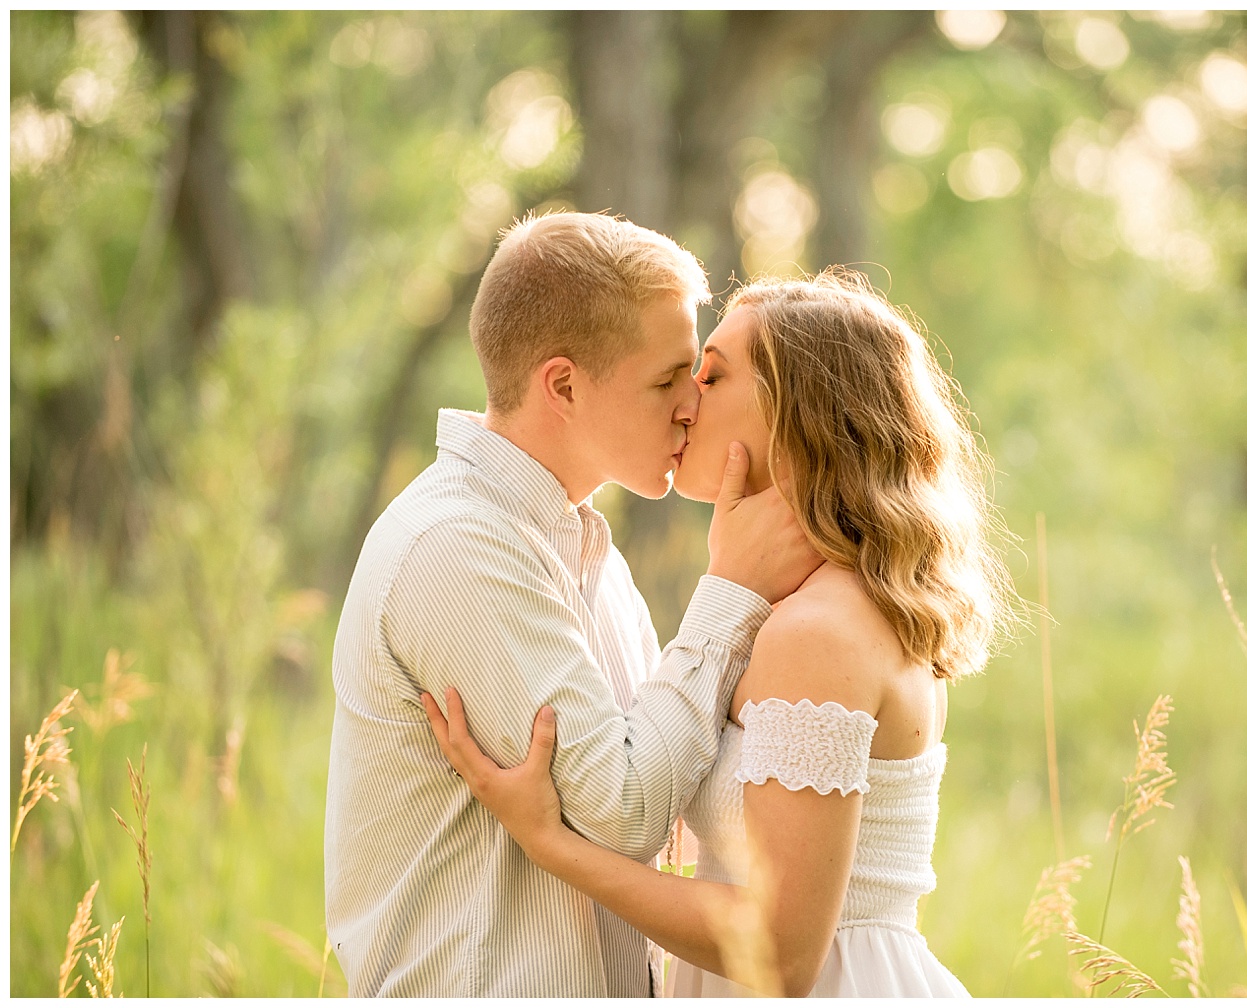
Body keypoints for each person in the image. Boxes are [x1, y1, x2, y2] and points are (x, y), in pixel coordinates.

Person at [424, 269, 1022, 997]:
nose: (684, 403)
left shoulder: (820, 633)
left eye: (710, 375)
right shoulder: (804, 606)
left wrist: (550, 842)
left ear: (800, 410)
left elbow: (779, 953)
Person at [324, 212, 822, 997]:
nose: (690, 407)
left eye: (696, 379)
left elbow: (666, 784)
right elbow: (625, 811)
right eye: (667, 380)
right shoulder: (456, 548)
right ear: (562, 385)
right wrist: (731, 594)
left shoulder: (589, 555)